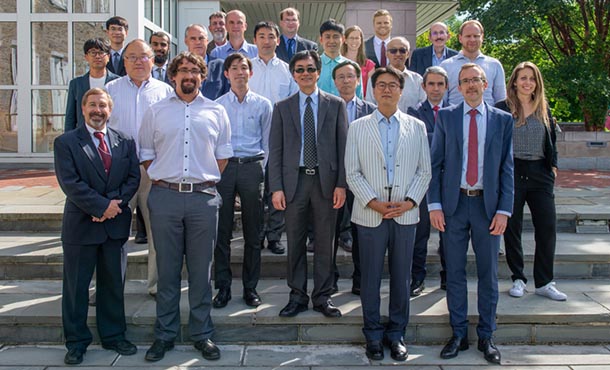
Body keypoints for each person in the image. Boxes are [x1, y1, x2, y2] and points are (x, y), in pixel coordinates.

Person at [140, 51, 232, 362]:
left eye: (195, 70)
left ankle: (202, 334)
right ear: (173, 76)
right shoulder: (156, 111)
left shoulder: (216, 111)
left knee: (200, 271)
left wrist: (198, 179)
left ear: (202, 77)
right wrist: (168, 178)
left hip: (202, 199)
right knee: (166, 271)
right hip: (164, 197)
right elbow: (146, 154)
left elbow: (222, 156)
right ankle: (164, 335)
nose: (189, 75)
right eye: (183, 70)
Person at [428, 63, 514, 365]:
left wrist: (504, 210)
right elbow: (435, 163)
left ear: (485, 83)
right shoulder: (448, 117)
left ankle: (487, 336)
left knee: (489, 275)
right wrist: (434, 205)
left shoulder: (503, 120)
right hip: (453, 207)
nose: (471, 86)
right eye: (464, 81)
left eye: (475, 80)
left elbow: (507, 168)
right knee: (454, 273)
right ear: (458, 87)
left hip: (487, 208)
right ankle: (459, 334)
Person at [345, 66, 431, 361]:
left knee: (401, 277)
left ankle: (397, 334)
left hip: (405, 215)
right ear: (372, 89)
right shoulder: (357, 127)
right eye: (380, 84)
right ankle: (372, 334)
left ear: (401, 89)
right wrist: (374, 202)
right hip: (370, 214)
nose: (386, 90)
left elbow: (424, 171)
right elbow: (352, 172)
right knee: (369, 278)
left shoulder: (416, 127)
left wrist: (409, 202)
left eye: (392, 85)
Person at [55, 88, 140, 365]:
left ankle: (114, 335)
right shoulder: (66, 142)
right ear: (83, 108)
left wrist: (113, 206)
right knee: (77, 288)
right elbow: (71, 183)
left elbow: (132, 178)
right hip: (81, 226)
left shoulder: (125, 141)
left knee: (113, 284)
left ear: (110, 110)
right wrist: (100, 206)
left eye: (102, 105)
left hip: (114, 226)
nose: (97, 110)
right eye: (92, 105)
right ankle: (77, 342)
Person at [268, 50, 348, 318]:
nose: (305, 73)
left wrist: (341, 184)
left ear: (318, 72)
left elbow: (343, 147)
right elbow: (275, 151)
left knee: (326, 243)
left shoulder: (335, 105)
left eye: (310, 69)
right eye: (300, 69)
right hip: (294, 183)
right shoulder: (282, 107)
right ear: (293, 74)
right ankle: (297, 296)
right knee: (296, 242)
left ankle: (323, 297)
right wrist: (276, 187)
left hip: (326, 184)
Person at [105, 39, 174, 297]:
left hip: (153, 169)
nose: (137, 61)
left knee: (158, 232)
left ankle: (156, 285)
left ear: (152, 59)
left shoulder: (165, 91)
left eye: (143, 56)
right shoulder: (111, 89)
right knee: (114, 233)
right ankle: (110, 287)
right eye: (131, 56)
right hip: (118, 171)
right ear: (124, 61)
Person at [496, 62, 566, 301]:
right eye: (523, 78)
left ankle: (545, 282)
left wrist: (553, 167)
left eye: (532, 79)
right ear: (514, 81)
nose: (527, 83)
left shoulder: (543, 109)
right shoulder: (502, 109)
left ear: (537, 83)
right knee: (512, 228)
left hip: (540, 174)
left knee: (547, 228)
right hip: (512, 172)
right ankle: (518, 278)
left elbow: (552, 142)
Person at [212, 53, 273, 308]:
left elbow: (268, 143)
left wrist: (261, 171)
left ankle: (250, 287)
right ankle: (223, 287)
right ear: (226, 74)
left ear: (251, 72)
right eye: (234, 68)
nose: (240, 72)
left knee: (253, 232)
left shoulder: (263, 105)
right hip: (224, 168)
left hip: (252, 167)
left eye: (244, 67)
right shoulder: (217, 105)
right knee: (222, 231)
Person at [250, 20, 298, 255]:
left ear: (278, 41)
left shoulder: (287, 70)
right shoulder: (247, 68)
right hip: (252, 140)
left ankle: (275, 236)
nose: (266, 41)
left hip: (280, 139)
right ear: (255, 40)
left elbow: (293, 103)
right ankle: (257, 234)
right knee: (256, 193)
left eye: (271, 36)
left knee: (277, 188)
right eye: (262, 36)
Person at [332, 60, 376, 295]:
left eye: (350, 76)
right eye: (341, 77)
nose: (346, 81)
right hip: (333, 179)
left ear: (358, 80)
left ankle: (360, 279)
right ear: (334, 81)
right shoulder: (327, 106)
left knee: (361, 232)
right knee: (330, 231)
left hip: (363, 179)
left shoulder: (370, 110)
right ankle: (330, 279)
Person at [407, 66, 450, 294]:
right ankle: (417, 278)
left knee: (449, 233)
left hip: (449, 181)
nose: (435, 88)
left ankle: (447, 277)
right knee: (420, 233)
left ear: (446, 87)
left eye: (440, 84)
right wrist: (444, 138)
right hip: (422, 180)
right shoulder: (413, 112)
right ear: (423, 87)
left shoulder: (455, 111)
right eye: (431, 84)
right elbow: (417, 141)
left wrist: (432, 137)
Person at [440, 20, 506, 106]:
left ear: (482, 37)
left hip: (488, 118)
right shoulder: (446, 66)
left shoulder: (494, 65)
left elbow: (500, 100)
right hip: (455, 118)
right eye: (468, 36)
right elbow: (442, 100)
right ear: (460, 38)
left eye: (476, 36)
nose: (472, 39)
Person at [65, 38, 119, 131]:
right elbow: (70, 117)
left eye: (101, 52)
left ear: (108, 57)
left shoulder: (118, 82)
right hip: (83, 138)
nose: (97, 56)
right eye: (93, 52)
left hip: (111, 137)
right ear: (86, 56)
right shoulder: (76, 84)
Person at [366, 37, 425, 112]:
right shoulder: (374, 78)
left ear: (408, 54)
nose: (398, 54)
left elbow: (423, 107)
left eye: (402, 50)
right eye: (393, 51)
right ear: (386, 54)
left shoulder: (418, 80)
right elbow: (370, 106)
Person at [317, 19, 363, 98]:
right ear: (321, 40)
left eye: (335, 37)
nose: (331, 41)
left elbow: (359, 97)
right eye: (327, 37)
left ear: (343, 39)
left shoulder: (352, 67)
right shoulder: (314, 65)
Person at [184, 24, 229, 100]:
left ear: (207, 41)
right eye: (193, 39)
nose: (198, 42)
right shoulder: (177, 67)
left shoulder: (221, 66)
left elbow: (228, 96)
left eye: (201, 38)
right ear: (186, 41)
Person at [341, 25, 376, 98]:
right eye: (351, 38)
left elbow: (372, 90)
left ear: (361, 41)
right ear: (345, 40)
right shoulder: (339, 62)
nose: (354, 41)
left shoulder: (369, 65)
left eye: (357, 38)